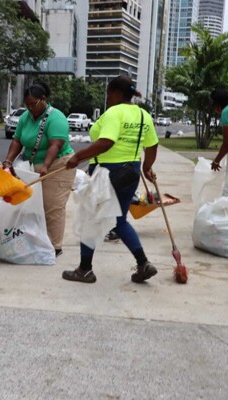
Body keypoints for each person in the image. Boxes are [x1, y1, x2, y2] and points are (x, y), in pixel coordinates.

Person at [62, 75, 159, 284]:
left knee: (90, 219)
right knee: (120, 220)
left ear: (115, 92)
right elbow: (152, 145)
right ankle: (143, 263)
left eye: (108, 93)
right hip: (130, 172)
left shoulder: (114, 113)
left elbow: (106, 142)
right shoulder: (143, 115)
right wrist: (147, 166)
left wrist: (78, 157)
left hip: (107, 174)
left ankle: (85, 270)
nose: (107, 97)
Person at [1, 82, 76, 257]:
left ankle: (54, 247)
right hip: (33, 165)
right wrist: (8, 161)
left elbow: (56, 144)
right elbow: (17, 140)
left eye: (33, 104)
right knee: (31, 207)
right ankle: (36, 240)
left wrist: (46, 167)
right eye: (26, 105)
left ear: (44, 100)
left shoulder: (56, 117)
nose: (30, 108)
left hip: (58, 165)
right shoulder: (26, 117)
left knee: (52, 206)